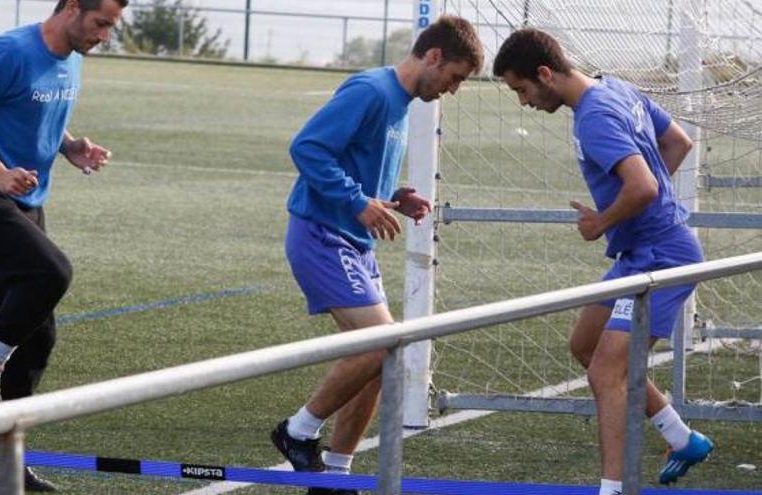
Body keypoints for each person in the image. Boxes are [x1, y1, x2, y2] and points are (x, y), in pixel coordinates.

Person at [270, 15, 484, 495]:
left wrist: (391, 194)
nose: (452, 89)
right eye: (454, 77)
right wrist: (356, 201)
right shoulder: (371, 90)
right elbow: (307, 148)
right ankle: (297, 431)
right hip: (322, 234)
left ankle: (336, 475)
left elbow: (354, 162)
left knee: (385, 354)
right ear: (433, 56)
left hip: (353, 242)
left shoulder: (401, 102)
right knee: (381, 343)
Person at [492, 28, 712, 494]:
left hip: (663, 259)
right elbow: (677, 143)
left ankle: (612, 489)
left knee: (605, 372)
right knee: (586, 344)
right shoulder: (614, 86)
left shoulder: (594, 118)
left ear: (545, 74)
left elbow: (645, 187)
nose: (523, 102)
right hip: (641, 252)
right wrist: (632, 209)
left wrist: (604, 221)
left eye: (522, 89)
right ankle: (680, 437)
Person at [0, 0, 127, 490]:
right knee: (52, 272)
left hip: (25, 201)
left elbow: (32, 109)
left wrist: (70, 146)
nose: (104, 35)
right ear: (71, 9)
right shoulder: (11, 50)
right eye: (101, 22)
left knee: (38, 336)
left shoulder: (74, 58)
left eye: (111, 26)